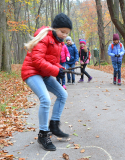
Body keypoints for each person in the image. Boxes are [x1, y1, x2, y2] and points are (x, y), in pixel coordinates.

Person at [21, 13, 72, 151]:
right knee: (46, 99)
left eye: (66, 33)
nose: (64, 35)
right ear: (55, 28)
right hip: (31, 72)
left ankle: (54, 125)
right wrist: (56, 71)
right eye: (62, 31)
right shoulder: (44, 37)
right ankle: (43, 134)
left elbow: (52, 62)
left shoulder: (58, 42)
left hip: (44, 73)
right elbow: (37, 61)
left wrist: (61, 69)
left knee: (63, 94)